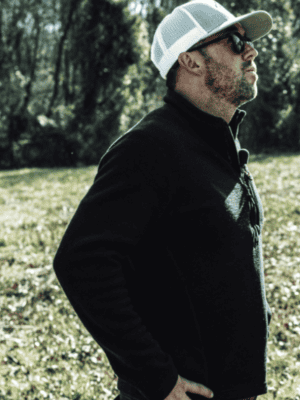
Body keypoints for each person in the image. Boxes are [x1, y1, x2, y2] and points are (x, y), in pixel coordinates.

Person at [52, 1, 273, 399]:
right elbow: (81, 262)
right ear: (190, 60)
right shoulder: (149, 148)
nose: (251, 51)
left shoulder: (219, 142)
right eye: (236, 42)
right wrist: (156, 377)